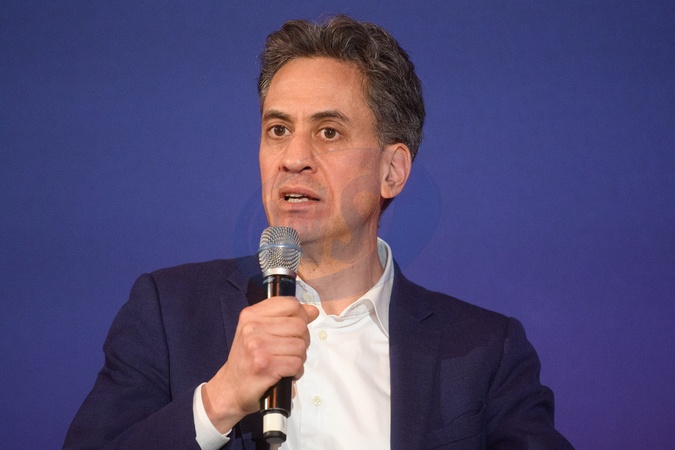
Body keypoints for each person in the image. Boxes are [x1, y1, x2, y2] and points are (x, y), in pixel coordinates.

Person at [64, 15, 572, 449]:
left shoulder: (485, 351)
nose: (294, 158)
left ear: (392, 171)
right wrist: (218, 401)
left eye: (329, 132)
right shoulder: (169, 313)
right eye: (278, 130)